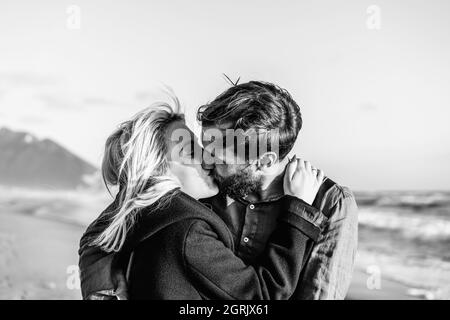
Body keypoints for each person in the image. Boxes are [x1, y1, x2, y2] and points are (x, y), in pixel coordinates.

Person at [78, 93, 327, 299]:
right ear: (158, 169)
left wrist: (100, 279)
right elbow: (261, 295)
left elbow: (100, 232)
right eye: (189, 152)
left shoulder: (146, 217)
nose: (206, 158)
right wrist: (299, 211)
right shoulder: (187, 230)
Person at [197, 81, 358, 299]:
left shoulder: (330, 203)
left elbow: (318, 293)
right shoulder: (208, 187)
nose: (206, 163)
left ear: (264, 161)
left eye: (219, 157)